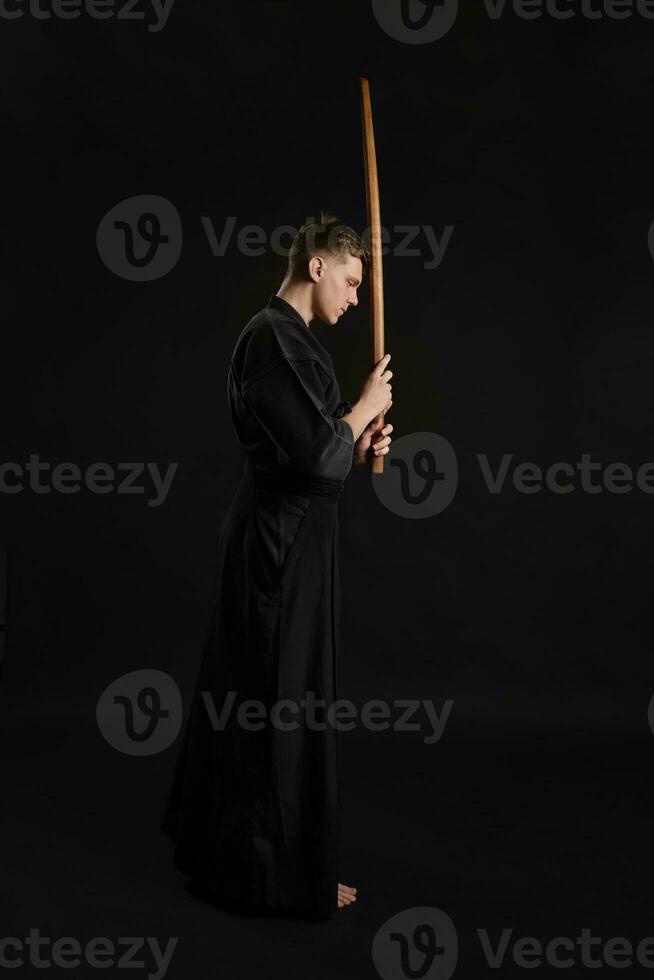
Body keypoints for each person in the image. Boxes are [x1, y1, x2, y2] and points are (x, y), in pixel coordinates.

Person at [161, 212, 394, 920]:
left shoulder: (290, 341)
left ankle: (278, 869)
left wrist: (360, 440)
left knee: (279, 699)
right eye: (351, 282)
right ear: (317, 264)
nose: (355, 299)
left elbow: (323, 459)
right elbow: (318, 456)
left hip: (292, 540)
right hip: (278, 549)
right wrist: (361, 411)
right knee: (274, 702)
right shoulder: (270, 340)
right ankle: (270, 879)